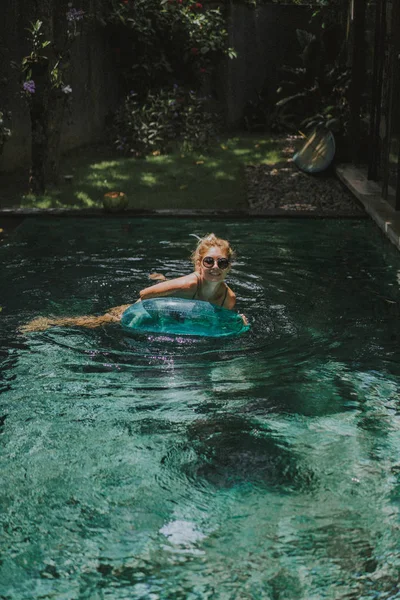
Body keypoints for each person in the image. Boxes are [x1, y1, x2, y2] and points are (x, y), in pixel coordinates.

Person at [20, 233, 246, 333]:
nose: (215, 267)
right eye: (209, 261)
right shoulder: (189, 285)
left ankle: (162, 278)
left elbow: (218, 323)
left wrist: (237, 322)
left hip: (179, 316)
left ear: (229, 266)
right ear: (199, 263)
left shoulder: (229, 298)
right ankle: (48, 323)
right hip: (147, 310)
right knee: (100, 321)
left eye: (222, 263)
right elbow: (145, 294)